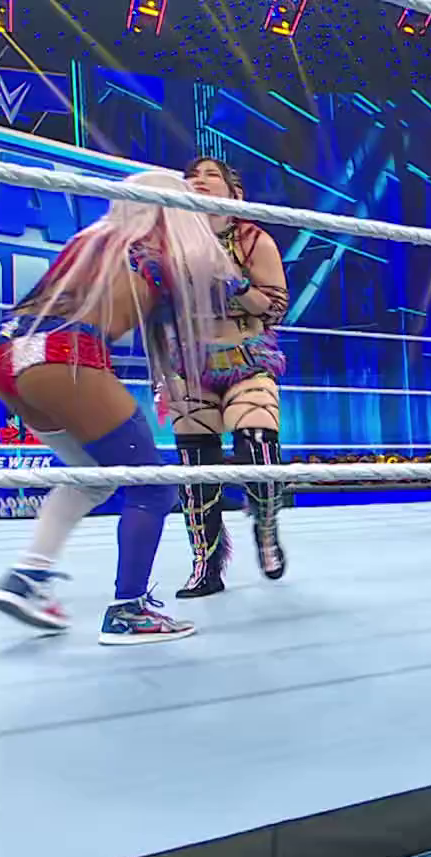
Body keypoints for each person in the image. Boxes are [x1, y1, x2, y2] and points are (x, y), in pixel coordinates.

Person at [0, 171, 238, 644]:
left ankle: (27, 576)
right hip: (64, 356)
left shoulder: (93, 239)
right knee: (153, 487)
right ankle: (129, 611)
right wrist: (221, 222)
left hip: (3, 352)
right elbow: (224, 291)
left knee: (92, 476)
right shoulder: (165, 252)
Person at [169, 157, 292, 598]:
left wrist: (234, 283)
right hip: (191, 364)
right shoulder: (170, 242)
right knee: (195, 467)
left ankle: (266, 529)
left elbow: (276, 308)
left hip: (246, 357)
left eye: (211, 175)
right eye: (192, 175)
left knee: (257, 442)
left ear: (233, 192)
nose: (199, 180)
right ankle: (206, 565)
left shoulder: (252, 239)